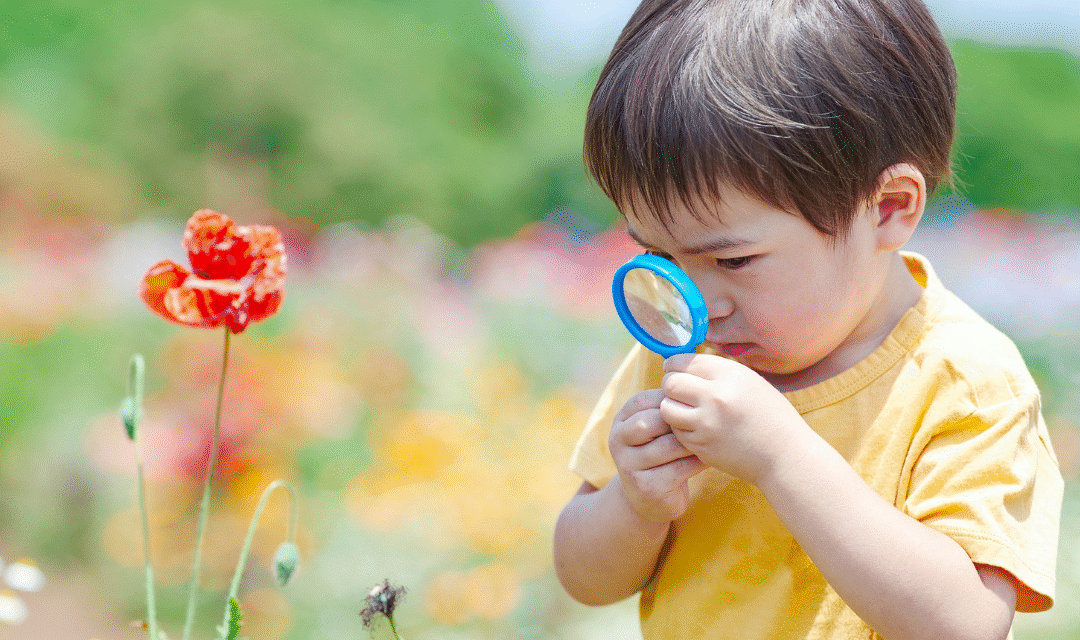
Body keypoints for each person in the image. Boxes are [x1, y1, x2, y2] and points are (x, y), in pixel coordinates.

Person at [552, 0, 1064, 638]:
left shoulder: (961, 379)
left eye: (735, 259)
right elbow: (582, 577)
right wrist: (634, 503)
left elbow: (962, 625)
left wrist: (780, 456)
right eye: (659, 256)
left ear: (887, 208)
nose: (697, 304)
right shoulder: (682, 356)